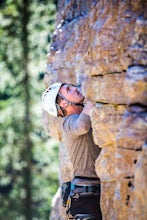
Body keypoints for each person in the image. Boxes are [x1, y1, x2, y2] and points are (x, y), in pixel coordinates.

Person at [42, 82, 102, 220]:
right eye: (69, 89)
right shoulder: (67, 123)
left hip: (90, 191)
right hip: (85, 196)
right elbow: (82, 126)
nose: (75, 88)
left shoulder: (82, 116)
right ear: (63, 103)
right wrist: (92, 100)